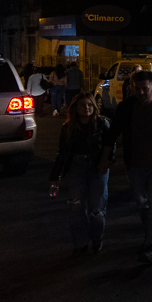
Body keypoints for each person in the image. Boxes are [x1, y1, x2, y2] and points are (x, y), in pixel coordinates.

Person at [103, 70, 152, 264]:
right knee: (141, 203)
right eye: (137, 89)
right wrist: (106, 156)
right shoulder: (126, 107)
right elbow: (113, 133)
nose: (140, 93)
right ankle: (150, 235)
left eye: (144, 89)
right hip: (136, 164)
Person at [49, 93, 114, 255]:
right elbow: (62, 154)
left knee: (96, 209)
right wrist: (56, 177)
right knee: (75, 207)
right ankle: (80, 244)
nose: (86, 108)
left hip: (97, 167)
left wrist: (106, 163)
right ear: (76, 109)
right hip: (76, 167)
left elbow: (110, 145)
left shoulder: (102, 123)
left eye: (90, 105)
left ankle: (97, 238)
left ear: (94, 107)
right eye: (82, 105)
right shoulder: (68, 128)